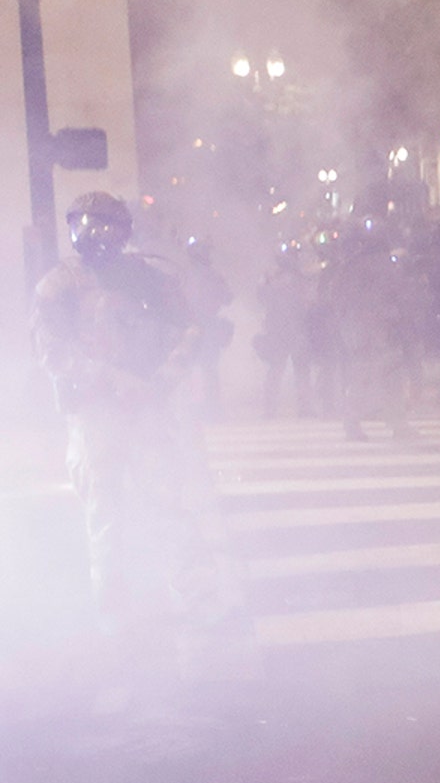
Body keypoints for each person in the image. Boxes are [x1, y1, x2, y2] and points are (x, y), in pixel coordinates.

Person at [29, 192, 232, 681]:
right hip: (95, 415)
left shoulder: (148, 278)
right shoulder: (58, 286)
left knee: (165, 503)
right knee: (105, 516)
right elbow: (51, 351)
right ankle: (115, 615)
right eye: (87, 224)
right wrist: (111, 381)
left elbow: (188, 332)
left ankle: (197, 597)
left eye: (106, 225)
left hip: (144, 409)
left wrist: (157, 383)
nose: (95, 235)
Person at [330, 214, 417, 442]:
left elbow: (337, 300)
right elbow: (402, 296)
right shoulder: (386, 265)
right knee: (383, 378)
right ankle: (390, 424)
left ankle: (364, 423)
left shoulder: (350, 266)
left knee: (369, 377)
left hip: (364, 330)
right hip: (378, 330)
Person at [254, 237, 318, 417]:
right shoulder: (296, 278)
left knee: (285, 369)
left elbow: (262, 298)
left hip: (287, 327)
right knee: (293, 369)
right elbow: (309, 301)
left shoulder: (281, 278)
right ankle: (297, 408)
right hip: (289, 327)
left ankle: (274, 409)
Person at [176, 235, 234, 418]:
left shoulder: (183, 274)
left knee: (186, 367)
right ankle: (211, 409)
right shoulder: (212, 275)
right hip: (204, 325)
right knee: (208, 368)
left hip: (188, 325)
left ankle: (186, 409)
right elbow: (228, 298)